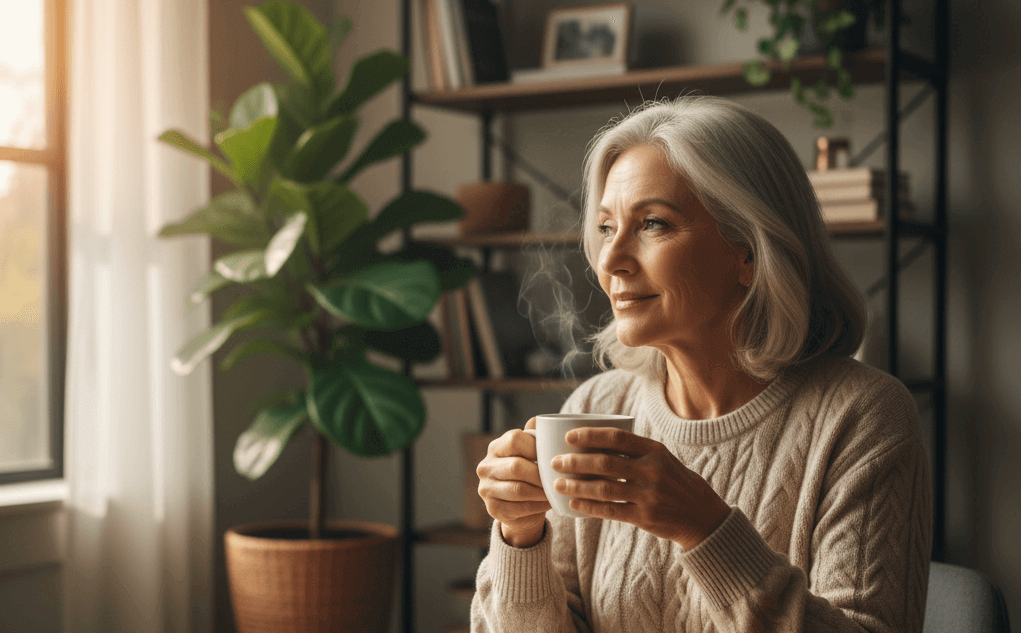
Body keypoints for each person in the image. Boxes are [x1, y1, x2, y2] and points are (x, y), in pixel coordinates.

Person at [471, 96, 932, 632]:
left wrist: (706, 529)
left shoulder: (863, 418)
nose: (611, 260)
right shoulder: (597, 406)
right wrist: (520, 538)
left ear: (749, 251)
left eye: (652, 224)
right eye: (604, 227)